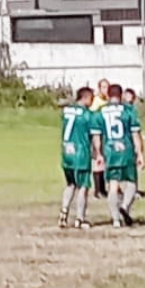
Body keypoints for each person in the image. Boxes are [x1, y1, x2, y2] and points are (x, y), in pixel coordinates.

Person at [58, 86, 103, 230]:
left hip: (67, 152)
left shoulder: (66, 111)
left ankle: (63, 213)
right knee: (83, 186)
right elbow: (95, 136)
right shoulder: (89, 115)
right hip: (81, 153)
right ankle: (80, 218)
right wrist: (98, 153)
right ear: (85, 97)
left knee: (70, 184)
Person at [101, 83, 145, 228]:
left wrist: (99, 153)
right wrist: (140, 154)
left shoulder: (101, 112)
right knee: (132, 182)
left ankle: (115, 220)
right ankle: (125, 206)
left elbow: (97, 136)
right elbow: (135, 134)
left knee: (113, 185)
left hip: (110, 151)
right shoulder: (129, 110)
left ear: (108, 95)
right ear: (121, 96)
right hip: (126, 151)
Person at [91, 79, 111, 197]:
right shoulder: (96, 102)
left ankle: (103, 188)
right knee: (97, 159)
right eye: (103, 87)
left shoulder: (107, 101)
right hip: (97, 134)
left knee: (104, 160)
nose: (106, 89)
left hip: (106, 134)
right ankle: (98, 190)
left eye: (107, 87)